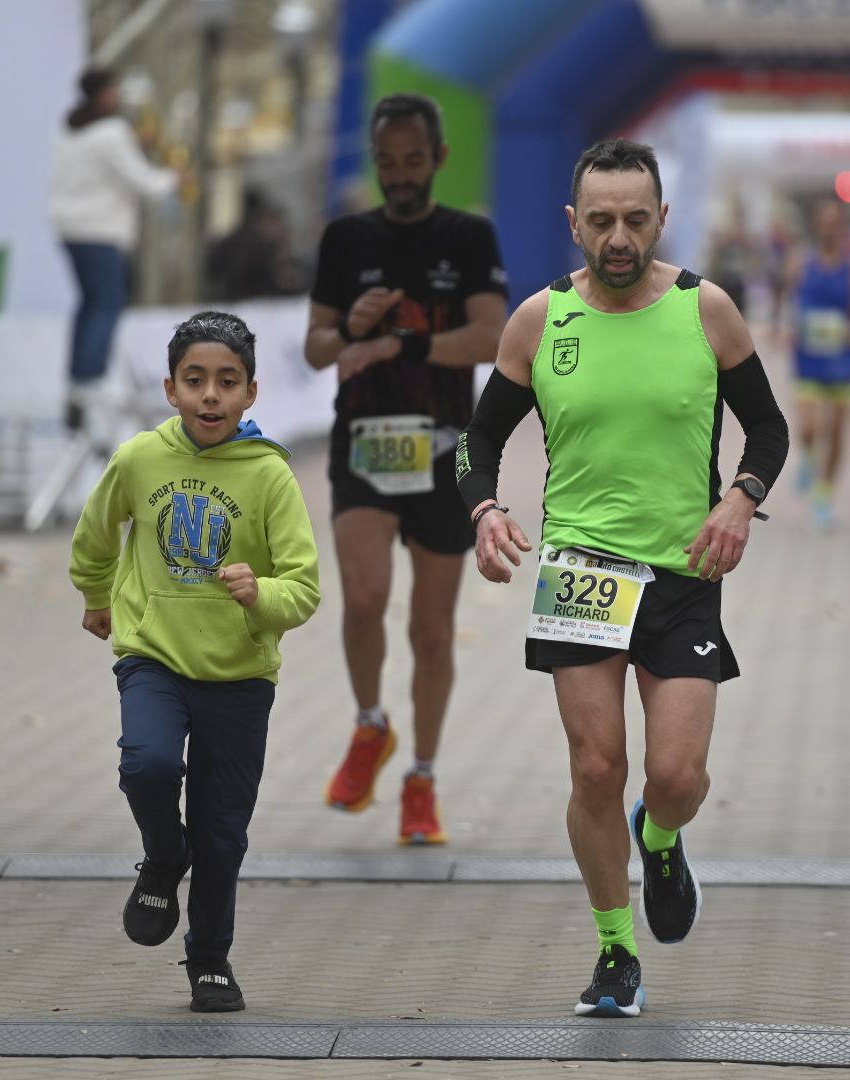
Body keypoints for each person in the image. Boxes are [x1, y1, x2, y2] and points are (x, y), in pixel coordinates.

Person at [455, 139, 788, 1017]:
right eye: (599, 221)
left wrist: (740, 502)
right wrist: (485, 512)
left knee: (675, 774)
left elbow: (770, 430)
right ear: (574, 223)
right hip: (581, 570)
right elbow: (476, 441)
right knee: (596, 767)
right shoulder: (539, 320)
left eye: (635, 220)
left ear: (661, 219)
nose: (617, 238)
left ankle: (664, 835)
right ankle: (614, 950)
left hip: (683, 572)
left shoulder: (705, 310)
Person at [69, 311, 321, 1012]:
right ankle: (162, 853)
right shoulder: (139, 459)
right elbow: (95, 534)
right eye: (195, 380)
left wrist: (260, 591)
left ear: (251, 394)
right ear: (171, 389)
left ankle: (209, 957)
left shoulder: (270, 475)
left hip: (240, 675)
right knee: (147, 764)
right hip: (154, 655)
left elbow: (303, 587)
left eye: (227, 382)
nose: (211, 395)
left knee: (221, 831)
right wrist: (96, 596)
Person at [304, 92, 507, 844]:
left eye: (413, 161)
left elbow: (490, 338)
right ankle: (369, 726)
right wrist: (350, 329)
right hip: (362, 439)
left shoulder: (470, 234)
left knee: (430, 631)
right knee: (363, 598)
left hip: (447, 447)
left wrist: (405, 344)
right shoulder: (346, 238)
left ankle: (421, 776)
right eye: (387, 163)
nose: (400, 176)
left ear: (439, 159)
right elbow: (316, 347)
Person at [51, 67, 180, 432]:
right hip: (101, 229)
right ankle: (91, 379)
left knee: (90, 301)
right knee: (107, 300)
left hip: (71, 227)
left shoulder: (70, 129)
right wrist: (173, 178)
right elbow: (141, 181)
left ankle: (77, 379)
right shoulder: (111, 131)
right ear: (105, 93)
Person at [783, 198, 850, 526]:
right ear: (817, 225)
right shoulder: (801, 262)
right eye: (825, 221)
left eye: (836, 222)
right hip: (809, 356)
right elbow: (786, 297)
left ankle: (825, 496)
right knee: (811, 427)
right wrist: (784, 326)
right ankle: (807, 458)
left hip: (842, 358)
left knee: (839, 431)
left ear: (843, 227)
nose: (830, 228)